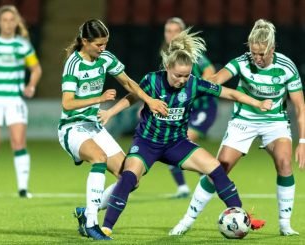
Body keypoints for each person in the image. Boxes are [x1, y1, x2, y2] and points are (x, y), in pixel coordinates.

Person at [95, 28, 272, 239]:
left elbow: (229, 92)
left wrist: (257, 102)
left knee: (216, 169)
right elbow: (132, 97)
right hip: (147, 143)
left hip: (177, 144)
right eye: (178, 75)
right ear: (168, 67)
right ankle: (105, 228)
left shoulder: (194, 84)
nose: (182, 80)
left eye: (186, 75)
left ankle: (243, 219)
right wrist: (110, 113)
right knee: (128, 177)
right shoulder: (152, 80)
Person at [169, 19, 305, 237]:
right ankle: (186, 221)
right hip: (244, 120)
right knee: (218, 169)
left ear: (272, 48)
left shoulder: (287, 67)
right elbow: (216, 80)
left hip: (275, 122)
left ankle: (285, 224)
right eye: (253, 53)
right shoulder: (242, 62)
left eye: (262, 54)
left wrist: (303, 142)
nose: (257, 58)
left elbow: (300, 106)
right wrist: (194, 81)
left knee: (284, 162)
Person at [57, 19, 167, 240]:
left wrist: (149, 100)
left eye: (105, 43)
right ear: (85, 41)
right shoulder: (74, 64)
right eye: (98, 44)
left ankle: (86, 212)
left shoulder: (105, 58)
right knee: (98, 158)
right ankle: (91, 224)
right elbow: (67, 103)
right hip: (72, 127)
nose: (103, 48)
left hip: (94, 126)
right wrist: (99, 98)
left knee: (131, 178)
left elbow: (127, 82)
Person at [0, 5, 42, 198]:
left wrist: (31, 85)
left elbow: (36, 69)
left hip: (14, 100)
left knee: (18, 143)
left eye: (11, 20)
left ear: (16, 23)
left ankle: (23, 189)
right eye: (4, 20)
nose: (7, 24)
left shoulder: (23, 46)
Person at [162, 17, 217, 198]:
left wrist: (202, 86)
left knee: (180, 141)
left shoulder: (191, 55)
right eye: (168, 31)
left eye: (175, 31)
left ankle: (211, 179)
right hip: (182, 110)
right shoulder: (167, 55)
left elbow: (209, 70)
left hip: (202, 109)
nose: (171, 35)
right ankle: (188, 186)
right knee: (171, 142)